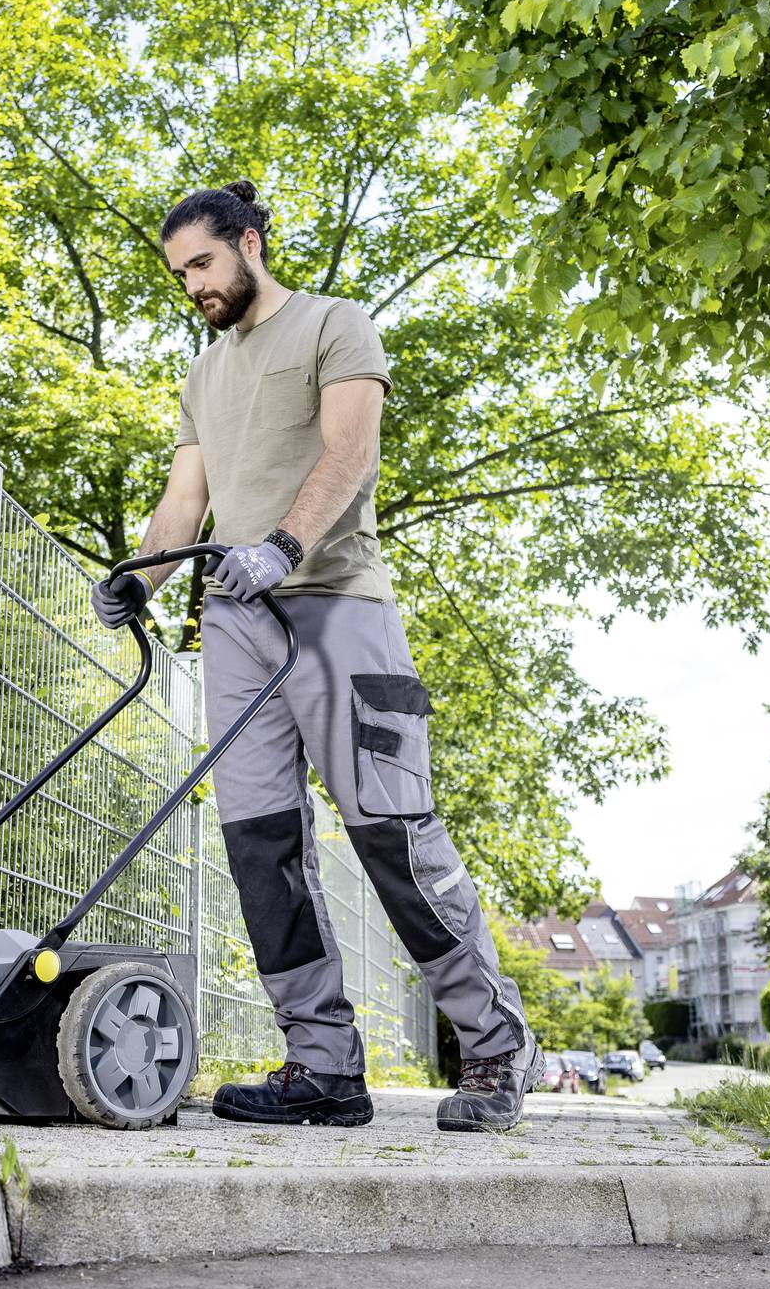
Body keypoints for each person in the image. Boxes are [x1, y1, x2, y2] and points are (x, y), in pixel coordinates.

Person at [92, 180, 536, 1132]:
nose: (193, 286)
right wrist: (143, 576)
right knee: (263, 849)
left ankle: (496, 1051)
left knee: (394, 835)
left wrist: (282, 549)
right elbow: (185, 507)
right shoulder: (204, 375)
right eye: (180, 275)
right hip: (238, 624)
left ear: (250, 243)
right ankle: (323, 1064)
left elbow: (350, 455)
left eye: (203, 264)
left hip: (338, 610)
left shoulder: (338, 325)